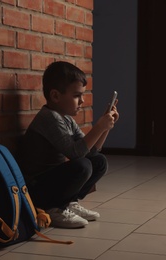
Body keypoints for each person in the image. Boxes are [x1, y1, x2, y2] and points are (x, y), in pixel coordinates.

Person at [17, 61, 119, 228]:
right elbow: (76, 153)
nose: (82, 101)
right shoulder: (49, 118)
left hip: (52, 182)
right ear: (56, 96)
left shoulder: (65, 118)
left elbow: (91, 150)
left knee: (99, 161)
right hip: (36, 189)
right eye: (76, 95)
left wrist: (106, 127)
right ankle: (54, 208)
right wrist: (99, 126)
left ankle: (69, 202)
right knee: (82, 165)